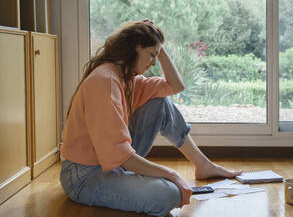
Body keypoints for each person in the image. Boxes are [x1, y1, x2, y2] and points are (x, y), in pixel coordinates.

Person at [59, 19, 242, 217]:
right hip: (84, 176)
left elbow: (175, 86)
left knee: (160, 102)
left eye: (156, 55)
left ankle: (202, 164)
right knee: (169, 194)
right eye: (151, 55)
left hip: (110, 162)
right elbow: (119, 155)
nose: (154, 62)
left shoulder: (127, 79)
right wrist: (172, 174)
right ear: (136, 48)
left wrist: (158, 46)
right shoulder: (104, 81)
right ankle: (134, 181)